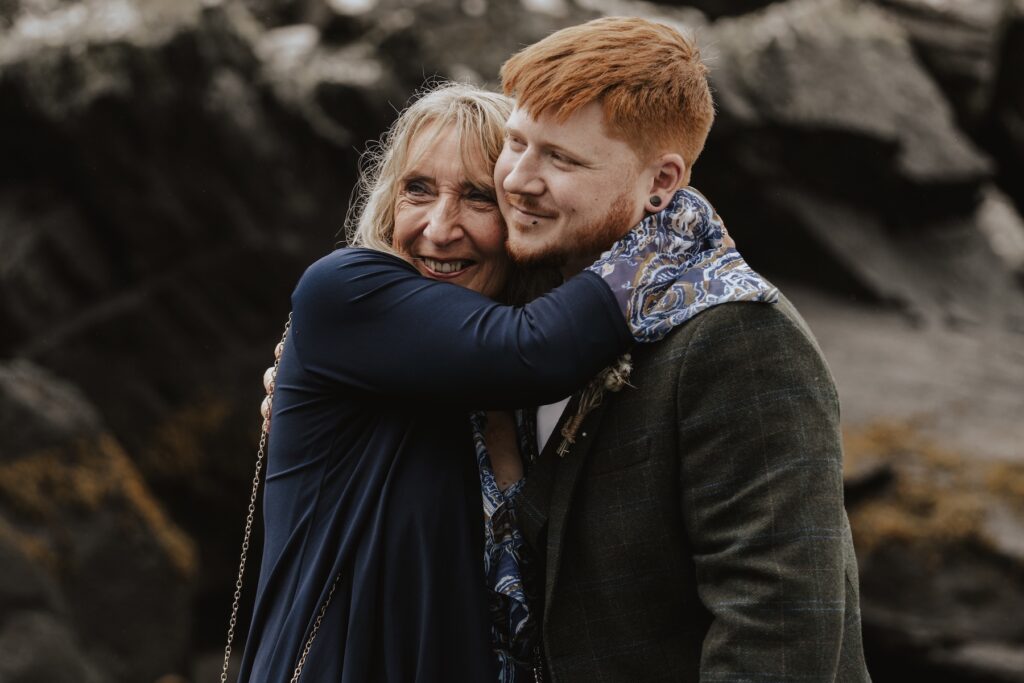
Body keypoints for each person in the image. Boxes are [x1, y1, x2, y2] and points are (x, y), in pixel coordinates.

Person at [231, 81, 759, 681]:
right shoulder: (345, 294)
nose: (438, 228)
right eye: (418, 189)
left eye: (479, 199)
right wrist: (674, 217)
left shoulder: (549, 398)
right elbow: (532, 350)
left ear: (520, 215)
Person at [494, 17, 872, 682]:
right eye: (515, 142)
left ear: (661, 180)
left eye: (561, 158)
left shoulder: (742, 339)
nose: (518, 179)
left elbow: (780, 636)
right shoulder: (507, 299)